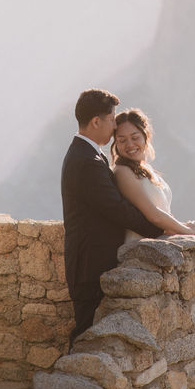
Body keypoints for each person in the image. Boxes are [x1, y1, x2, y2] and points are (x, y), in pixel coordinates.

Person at [61, 89, 162, 346]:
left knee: (94, 335)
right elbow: (116, 208)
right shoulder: (85, 160)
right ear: (97, 121)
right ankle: (71, 383)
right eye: (112, 119)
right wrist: (159, 229)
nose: (115, 124)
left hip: (95, 261)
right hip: (89, 264)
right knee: (85, 334)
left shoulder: (88, 155)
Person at [111, 108, 195, 242]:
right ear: (116, 143)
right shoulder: (123, 172)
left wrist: (183, 226)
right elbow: (154, 216)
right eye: (122, 140)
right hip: (140, 247)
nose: (130, 144)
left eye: (135, 137)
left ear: (146, 136)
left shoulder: (144, 169)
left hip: (157, 242)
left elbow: (161, 214)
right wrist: (188, 231)